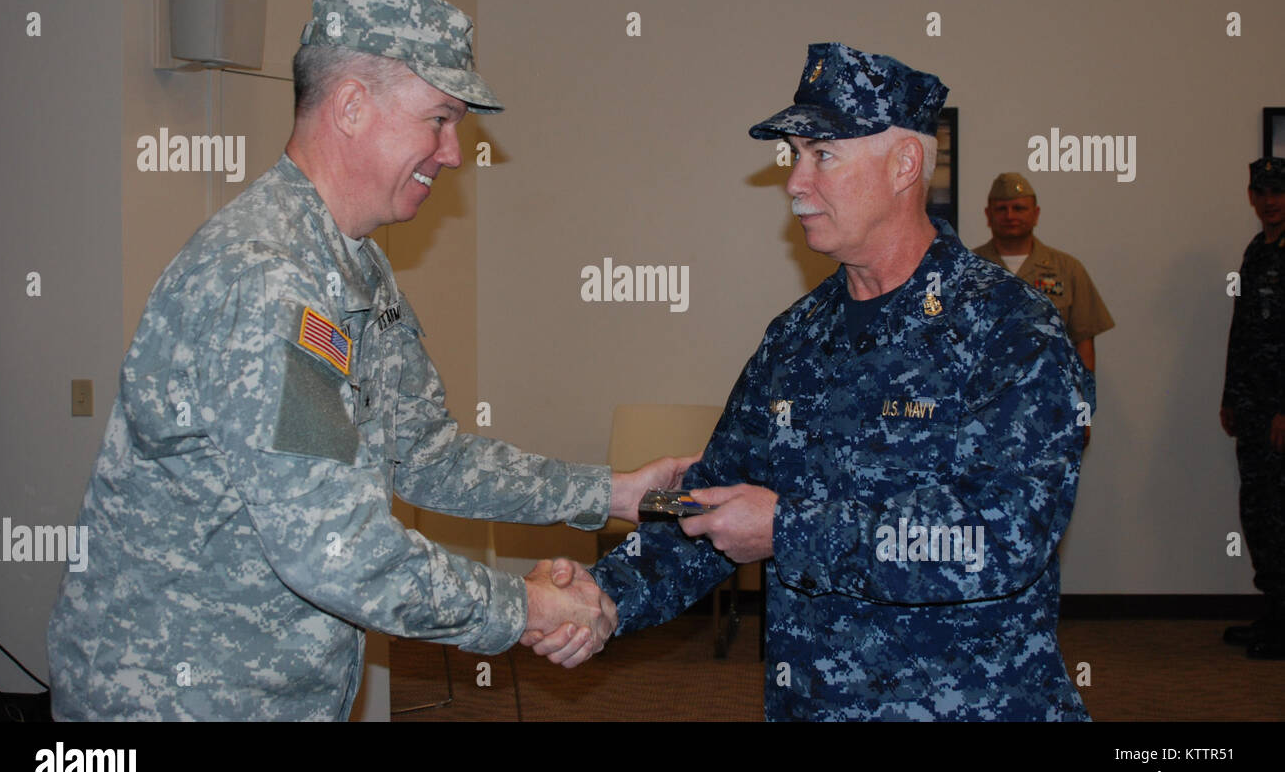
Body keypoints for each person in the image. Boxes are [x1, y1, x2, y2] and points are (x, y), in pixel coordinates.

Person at [46, 0, 688, 720]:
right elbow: (335, 549)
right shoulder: (267, 282)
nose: (452, 153)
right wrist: (527, 608)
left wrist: (611, 494)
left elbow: (422, 452)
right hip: (173, 700)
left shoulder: (354, 265)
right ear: (351, 106)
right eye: (439, 120)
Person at [530, 43, 1092, 720]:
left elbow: (1002, 540)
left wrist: (791, 529)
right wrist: (604, 596)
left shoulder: (1008, 327)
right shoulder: (796, 336)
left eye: (822, 155)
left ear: (904, 165)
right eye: (794, 156)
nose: (796, 182)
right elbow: (716, 501)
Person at [1220, 157, 1285, 660]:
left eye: (1279, 191)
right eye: (1262, 191)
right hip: (1254, 409)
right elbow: (1243, 332)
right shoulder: (1257, 251)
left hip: (1281, 412)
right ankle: (1274, 613)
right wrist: (1231, 397)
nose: (1270, 200)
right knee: (1261, 514)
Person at [971, 173, 1114, 376]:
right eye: (1001, 209)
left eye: (1019, 208)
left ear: (1036, 214)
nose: (1010, 216)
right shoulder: (968, 268)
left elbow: (1084, 341)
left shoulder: (1067, 270)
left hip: (1051, 397)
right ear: (988, 215)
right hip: (986, 398)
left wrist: (1083, 397)